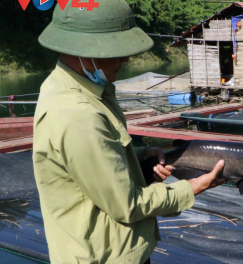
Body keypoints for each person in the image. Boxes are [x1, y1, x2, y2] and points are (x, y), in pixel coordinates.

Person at [33, 1, 224, 263]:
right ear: (82, 51)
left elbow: (93, 158)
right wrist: (191, 188)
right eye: (116, 50)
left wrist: (139, 155)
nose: (126, 58)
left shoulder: (75, 85)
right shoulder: (78, 115)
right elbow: (127, 205)